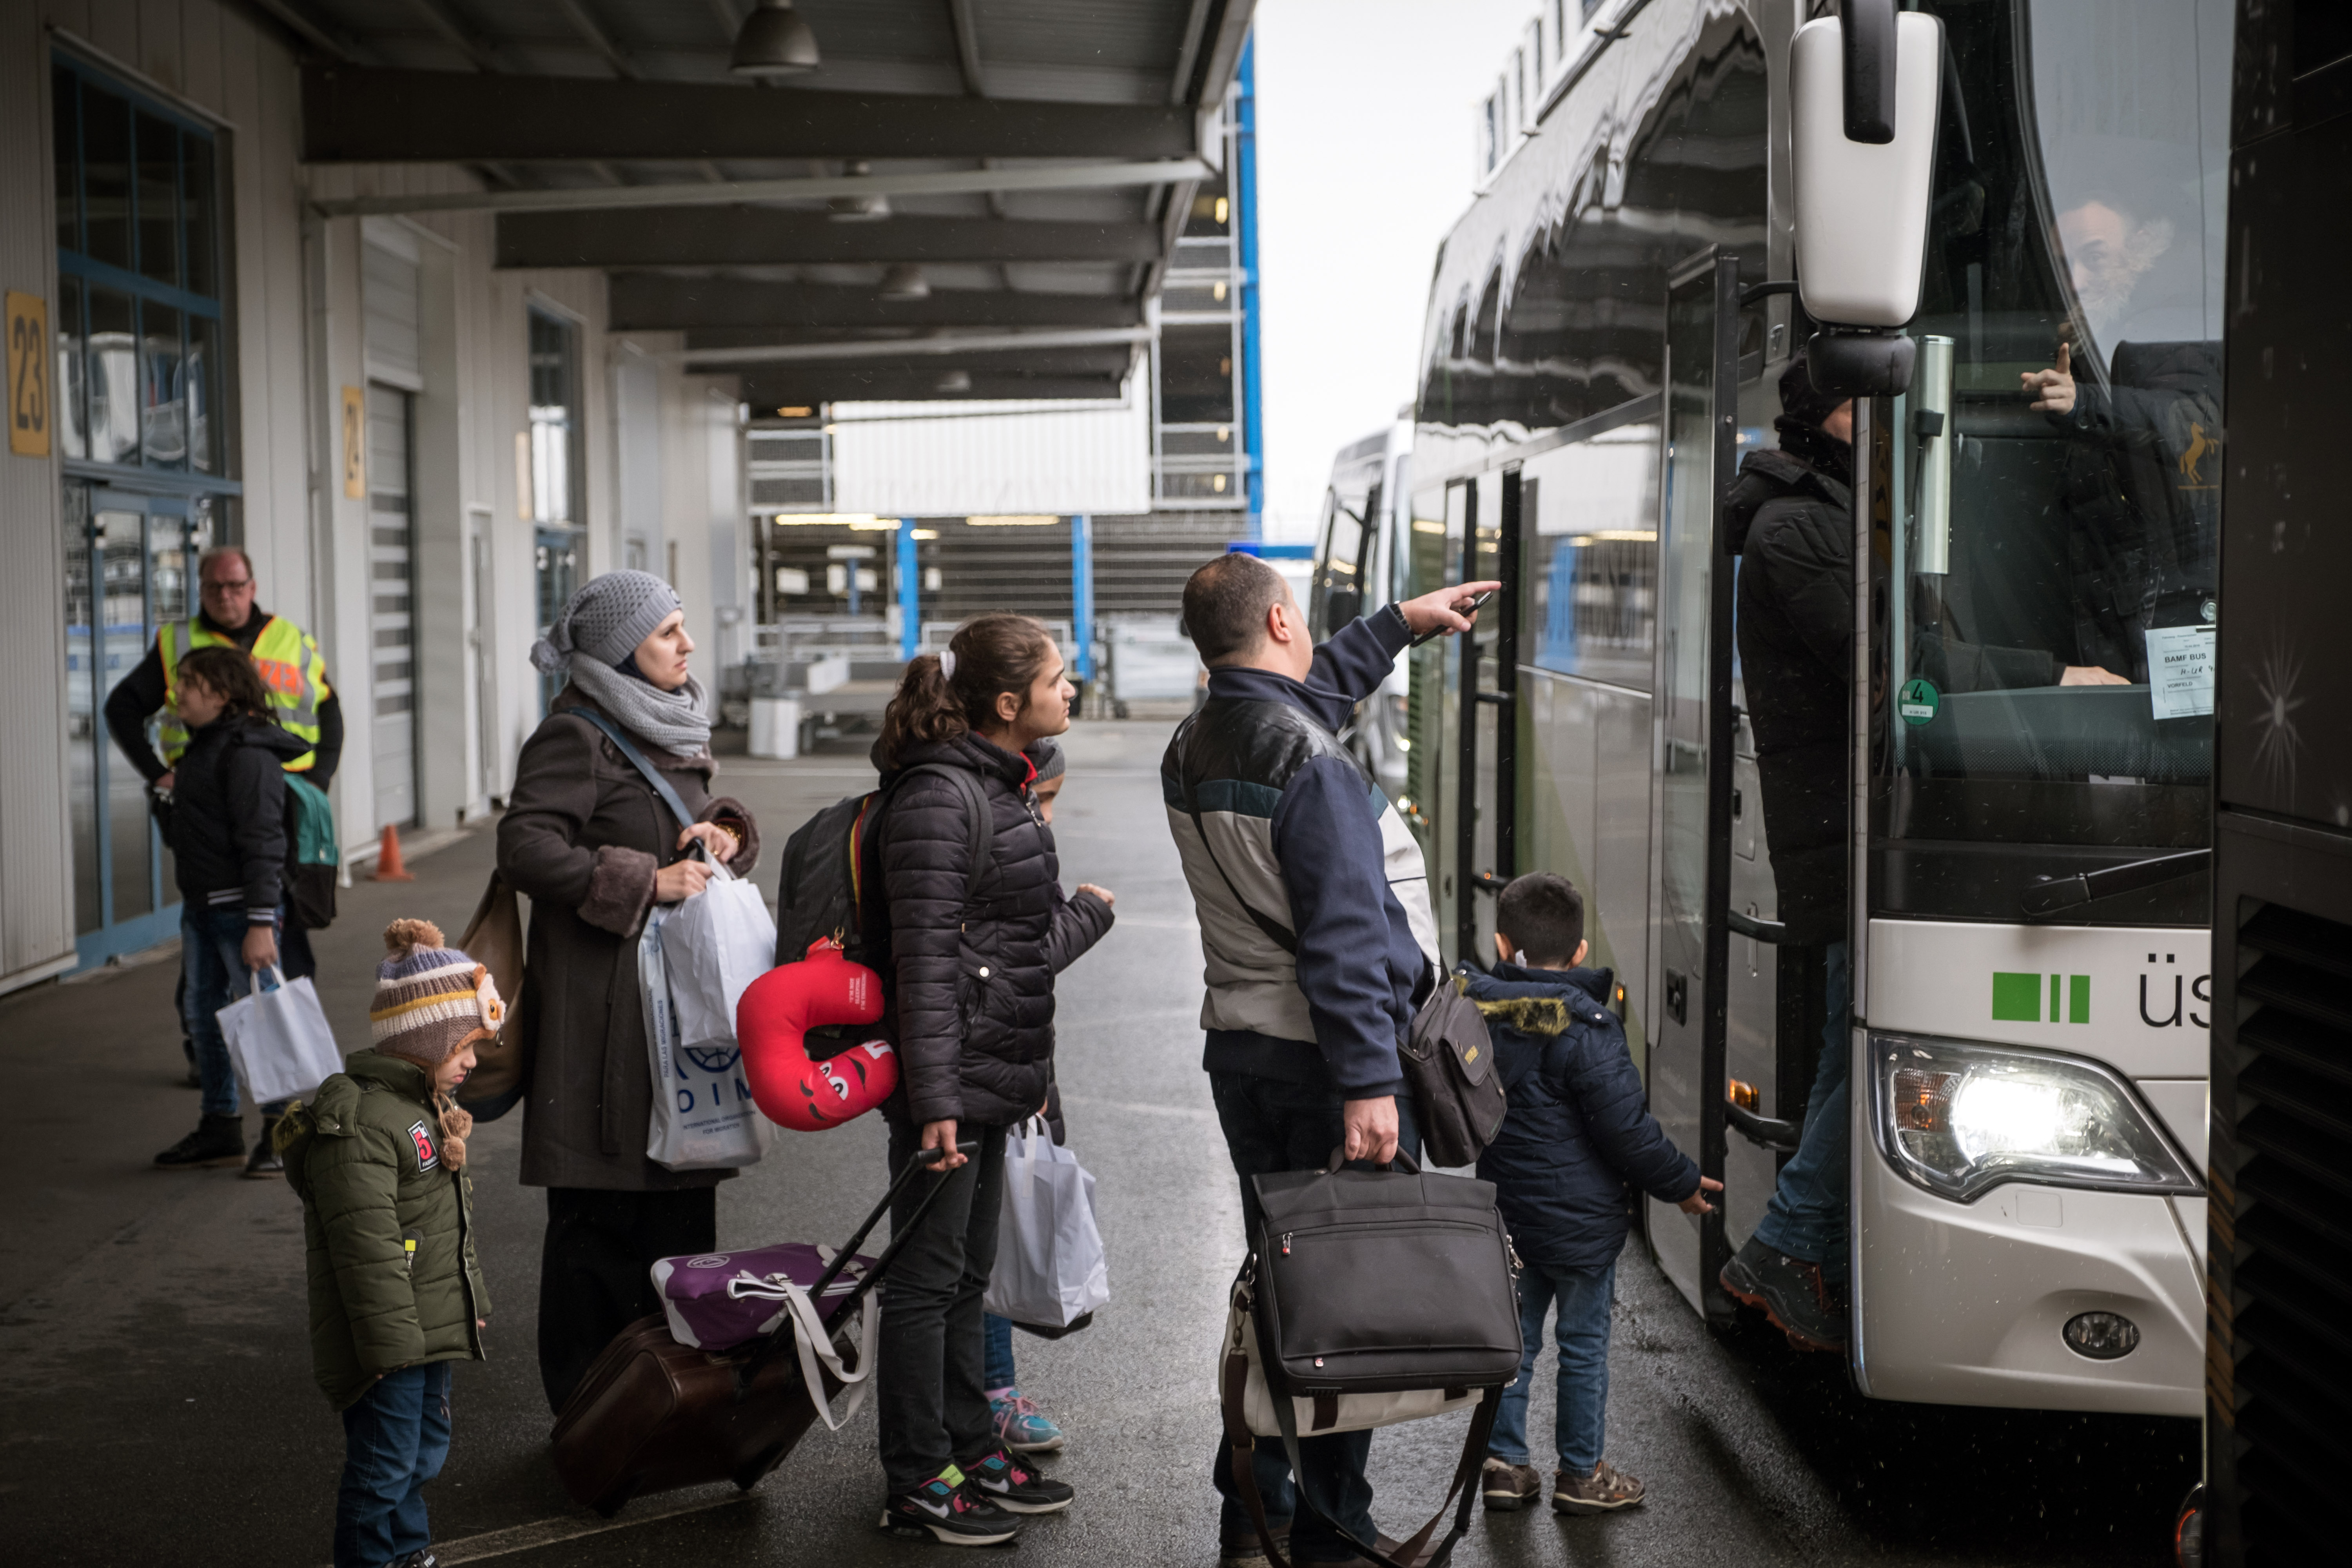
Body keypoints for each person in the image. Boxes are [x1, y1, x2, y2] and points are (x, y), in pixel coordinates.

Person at [1718, 360, 2125, 1351]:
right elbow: (1892, 661)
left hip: (1849, 823)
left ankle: (1797, 1244)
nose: (1896, 429)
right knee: (1867, 1044)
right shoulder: (1798, 527)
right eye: (1874, 410)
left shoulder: (1824, 512)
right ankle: (1780, 1245)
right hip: (1851, 830)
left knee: (1840, 1049)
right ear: (1830, 419)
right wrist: (2051, 675)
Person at [1163, 552, 1495, 1568]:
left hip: (1245, 1054)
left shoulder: (1197, 741)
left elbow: (1296, 703)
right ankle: (1331, 1532)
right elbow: (1347, 938)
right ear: (1275, 619)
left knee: (1282, 1282)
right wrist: (1369, 1086)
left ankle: (1252, 1520)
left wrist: (1401, 622)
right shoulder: (1314, 768)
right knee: (1340, 1309)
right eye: (1300, 618)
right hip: (1325, 1069)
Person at [863, 616, 1114, 1546]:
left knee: (968, 1276)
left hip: (991, 1074)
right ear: (1010, 703)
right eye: (1058, 676)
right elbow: (925, 964)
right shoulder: (941, 796)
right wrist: (934, 1103)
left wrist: (1034, 1074)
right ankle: (919, 1479)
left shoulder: (999, 785)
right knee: (927, 1285)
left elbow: (1010, 955)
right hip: (950, 1085)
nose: (1071, 685)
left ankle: (970, 1449)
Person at [495, 571, 759, 1413]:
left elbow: (664, 817)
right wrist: (649, 877)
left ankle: (673, 1401)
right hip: (603, 1021)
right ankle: (591, 1411)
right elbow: (526, 847)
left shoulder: (661, 719)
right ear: (620, 652)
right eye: (668, 633)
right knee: (600, 1226)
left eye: (684, 626)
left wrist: (719, 830)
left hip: (666, 1013)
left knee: (677, 1220)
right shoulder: (576, 732)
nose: (687, 645)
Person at [1465, 872, 1719, 1517]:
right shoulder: (1588, 1029)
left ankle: (1504, 1465)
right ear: (1580, 955)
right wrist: (1683, 1184)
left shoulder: (1474, 1015)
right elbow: (1627, 1134)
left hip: (1508, 1216)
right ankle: (1580, 1475)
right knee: (1582, 1346)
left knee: (1514, 1344)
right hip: (1582, 1227)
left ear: (1502, 944)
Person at [281, 918, 496, 1568]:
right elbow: (366, 1255)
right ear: (424, 1040)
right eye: (465, 1045)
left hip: (422, 1332)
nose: (473, 1061)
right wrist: (395, 1351)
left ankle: (409, 1553)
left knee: (420, 1453)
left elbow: (447, 1229)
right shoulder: (365, 1129)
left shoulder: (422, 1109)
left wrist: (469, 1301)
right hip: (390, 1346)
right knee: (383, 1466)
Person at [105, 545, 341, 1007]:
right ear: (201, 589)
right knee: (210, 926)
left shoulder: (292, 638)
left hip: (282, 796)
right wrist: (158, 775)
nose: (225, 595)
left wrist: (319, 779)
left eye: (235, 586)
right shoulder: (178, 640)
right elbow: (123, 707)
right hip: (206, 797)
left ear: (252, 588)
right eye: (214, 586)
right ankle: (208, 1042)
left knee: (283, 915)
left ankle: (289, 1039)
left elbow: (330, 711)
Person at [982, 737, 1117, 1457]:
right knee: (983, 1237)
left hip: (1006, 1062)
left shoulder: (1006, 827)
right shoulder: (990, 830)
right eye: (1048, 797)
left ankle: (983, 1390)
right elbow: (1016, 968)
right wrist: (1089, 914)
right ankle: (986, 1395)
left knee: (987, 1230)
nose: (1051, 816)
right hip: (990, 1067)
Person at [150, 646, 310, 1174]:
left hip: (243, 913)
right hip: (202, 910)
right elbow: (193, 839)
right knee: (206, 1018)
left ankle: (282, 1133)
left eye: (189, 684)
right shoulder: (201, 750)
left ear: (221, 694)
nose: (178, 695)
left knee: (262, 1022)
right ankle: (220, 1125)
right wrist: (165, 804)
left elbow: (265, 843)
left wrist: (262, 922)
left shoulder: (247, 755)